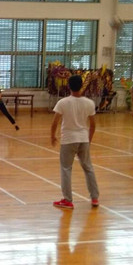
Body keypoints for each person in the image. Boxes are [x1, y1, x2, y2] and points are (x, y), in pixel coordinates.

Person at [50, 75, 99, 209]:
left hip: (68, 140)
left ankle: (67, 200)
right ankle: (94, 198)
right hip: (83, 139)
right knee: (88, 168)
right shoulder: (89, 103)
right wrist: (89, 139)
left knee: (66, 169)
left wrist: (52, 136)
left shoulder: (63, 102)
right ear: (82, 86)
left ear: (69, 86)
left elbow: (55, 122)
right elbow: (93, 125)